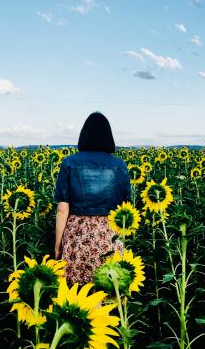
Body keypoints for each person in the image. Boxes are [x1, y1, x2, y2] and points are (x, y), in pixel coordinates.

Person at [53, 111, 131, 284]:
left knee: (78, 294)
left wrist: (58, 244)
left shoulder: (69, 162)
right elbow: (126, 207)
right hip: (109, 235)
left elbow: (62, 208)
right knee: (111, 289)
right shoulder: (120, 165)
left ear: (84, 135)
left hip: (78, 235)